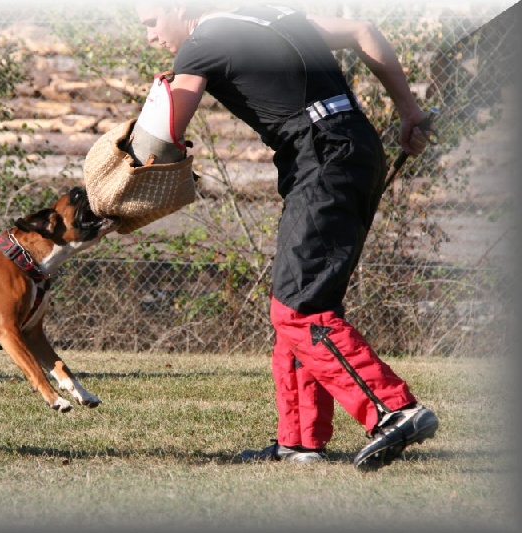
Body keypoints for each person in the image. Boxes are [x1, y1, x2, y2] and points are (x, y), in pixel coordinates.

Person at [132, 2, 438, 470]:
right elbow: (362, 30)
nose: (152, 36)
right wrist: (409, 111)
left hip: (322, 157)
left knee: (300, 309)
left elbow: (167, 133)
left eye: (152, 22)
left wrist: (138, 146)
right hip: (353, 147)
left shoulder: (200, 44)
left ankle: (394, 409)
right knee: (299, 298)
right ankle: (300, 442)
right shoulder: (271, 15)